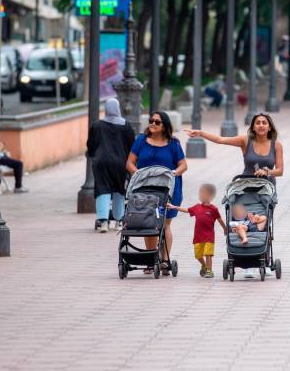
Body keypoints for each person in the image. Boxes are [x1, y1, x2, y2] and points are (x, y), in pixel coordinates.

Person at [185, 113, 284, 278]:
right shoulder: (245, 141)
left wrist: (268, 171)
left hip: (265, 189)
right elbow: (221, 139)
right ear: (252, 127)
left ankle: (264, 260)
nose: (260, 125)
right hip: (244, 189)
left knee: (263, 224)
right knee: (242, 223)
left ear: (269, 127)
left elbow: (280, 170)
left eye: (264, 123)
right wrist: (201, 133)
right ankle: (247, 264)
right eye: (257, 123)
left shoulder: (276, 145)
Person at [126, 111, 187, 275]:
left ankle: (165, 259)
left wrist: (174, 173)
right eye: (151, 121)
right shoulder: (141, 141)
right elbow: (130, 162)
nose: (152, 123)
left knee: (165, 224)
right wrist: (137, 173)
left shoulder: (173, 143)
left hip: (168, 189)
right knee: (148, 222)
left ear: (165, 126)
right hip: (145, 189)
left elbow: (183, 165)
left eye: (157, 122)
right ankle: (151, 259)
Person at [87, 98, 135, 233]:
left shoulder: (97, 125)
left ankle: (103, 221)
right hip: (120, 163)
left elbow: (91, 144)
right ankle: (119, 221)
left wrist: (92, 155)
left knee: (102, 189)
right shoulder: (126, 125)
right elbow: (132, 145)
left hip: (101, 163)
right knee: (119, 190)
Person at [166, 184, 226, 278]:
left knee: (208, 253)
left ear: (210, 196)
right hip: (198, 237)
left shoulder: (213, 209)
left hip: (209, 236)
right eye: (200, 193)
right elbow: (187, 210)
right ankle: (204, 265)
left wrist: (225, 229)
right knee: (198, 255)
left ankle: (209, 271)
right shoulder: (197, 207)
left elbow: (219, 219)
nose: (201, 195)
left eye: (203, 193)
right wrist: (174, 207)